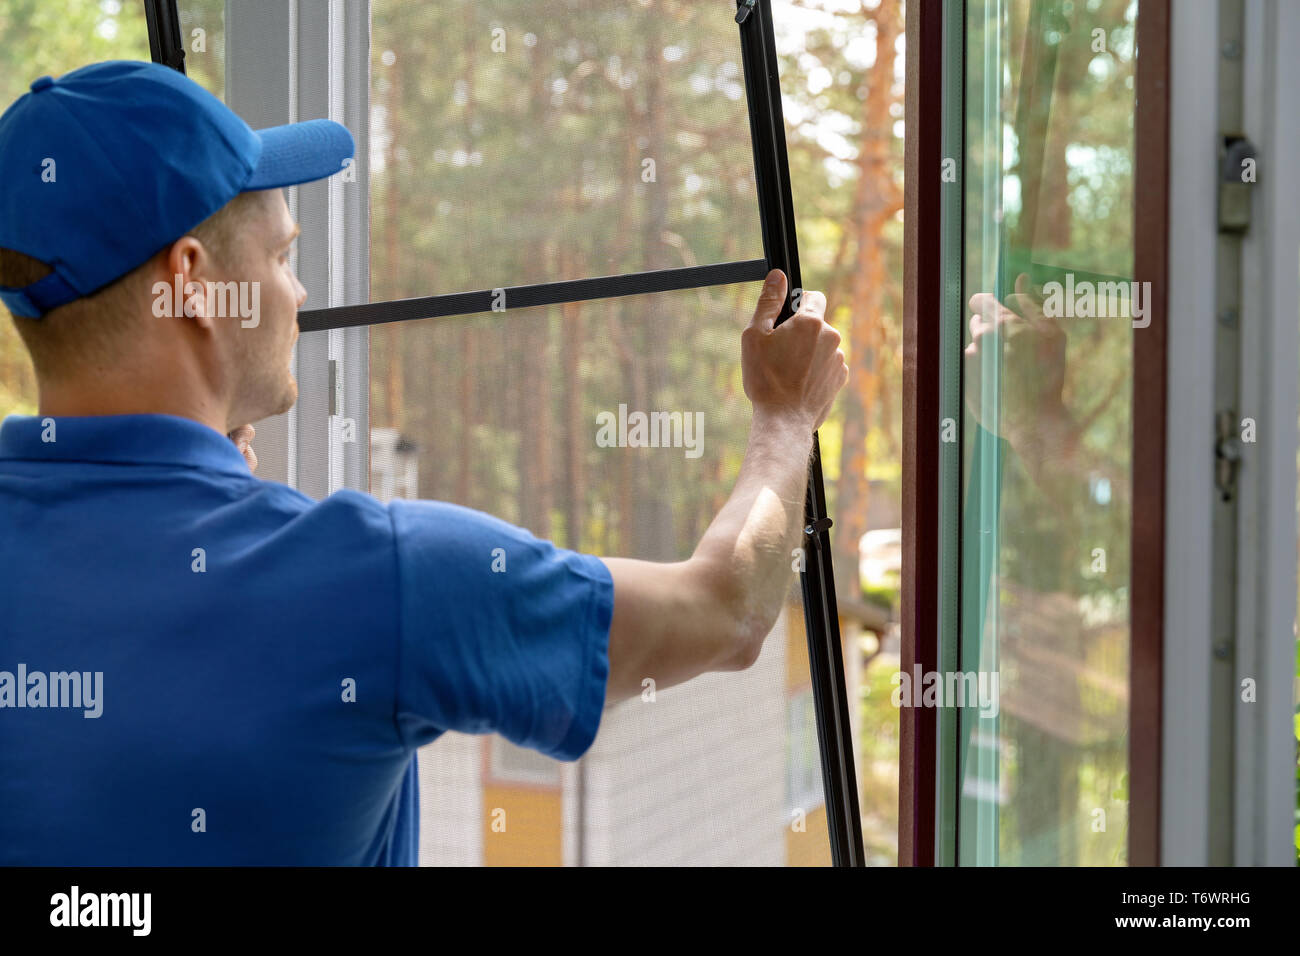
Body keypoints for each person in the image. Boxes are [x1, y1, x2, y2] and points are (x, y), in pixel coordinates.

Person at [0, 61, 848, 864]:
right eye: (284, 257)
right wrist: (786, 417)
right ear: (190, 280)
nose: (298, 295)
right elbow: (726, 611)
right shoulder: (376, 580)